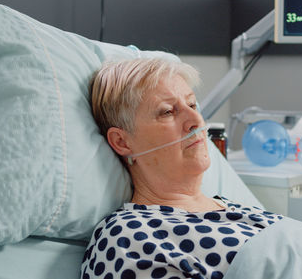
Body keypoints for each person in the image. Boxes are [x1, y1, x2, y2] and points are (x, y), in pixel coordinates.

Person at [81, 58, 283, 279]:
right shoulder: (130, 238)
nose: (196, 120)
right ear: (122, 142)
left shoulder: (242, 210)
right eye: (168, 112)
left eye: (192, 105)